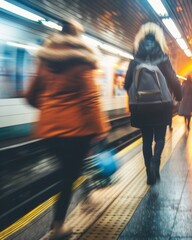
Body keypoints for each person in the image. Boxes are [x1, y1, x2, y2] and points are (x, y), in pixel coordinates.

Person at [25, 19, 110, 239]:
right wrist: (101, 128)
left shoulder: (45, 60)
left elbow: (31, 96)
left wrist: (50, 111)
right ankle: (58, 226)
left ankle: (86, 198)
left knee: (68, 171)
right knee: (68, 174)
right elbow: (91, 99)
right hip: (76, 131)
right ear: (77, 37)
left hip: (50, 131)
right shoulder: (82, 60)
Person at [124, 22, 182, 185]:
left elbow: (127, 83)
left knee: (146, 140)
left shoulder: (135, 58)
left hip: (141, 106)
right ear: (159, 38)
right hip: (161, 105)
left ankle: (149, 172)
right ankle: (155, 164)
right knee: (160, 138)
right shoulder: (163, 57)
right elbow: (174, 80)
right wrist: (179, 96)